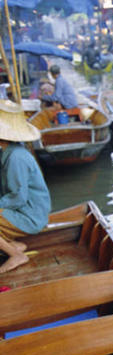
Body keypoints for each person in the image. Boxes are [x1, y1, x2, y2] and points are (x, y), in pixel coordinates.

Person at [0, 99, 50, 274]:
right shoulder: (7, 152)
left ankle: (16, 255)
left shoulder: (16, 158)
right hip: (23, 210)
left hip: (30, 215)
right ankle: (14, 245)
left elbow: (18, 197)